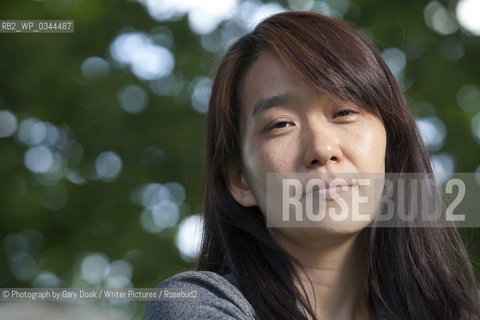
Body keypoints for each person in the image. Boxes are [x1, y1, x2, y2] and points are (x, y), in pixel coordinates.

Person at [143, 11, 480, 320]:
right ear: (240, 180)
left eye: (344, 112)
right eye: (280, 125)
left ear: (390, 151)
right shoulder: (195, 305)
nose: (321, 149)